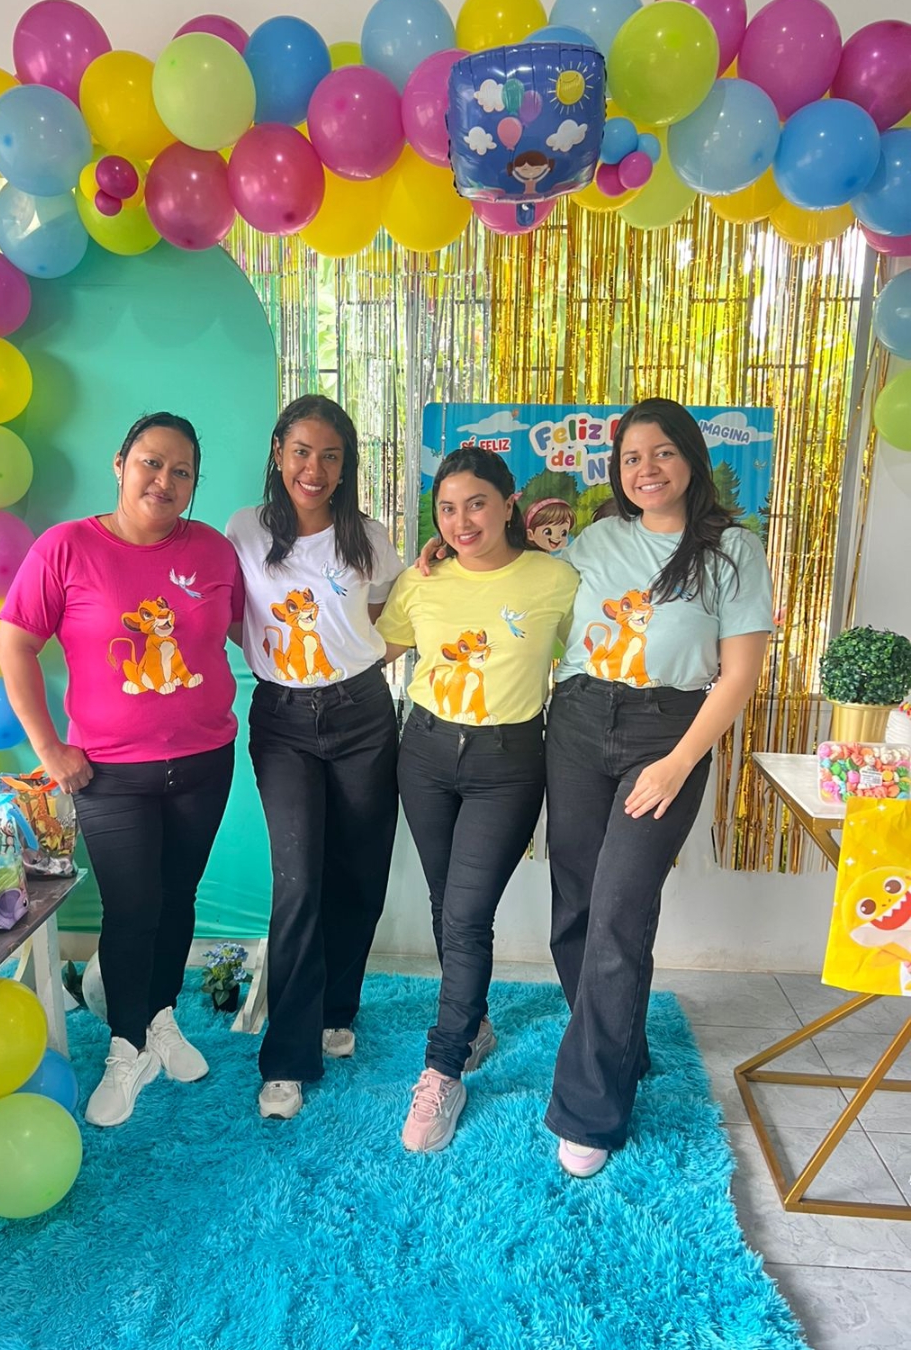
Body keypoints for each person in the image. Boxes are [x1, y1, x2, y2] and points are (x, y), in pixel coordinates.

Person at [544, 397, 772, 1178]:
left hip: (667, 734)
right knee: (575, 907)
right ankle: (620, 1046)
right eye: (632, 457)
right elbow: (520, 592)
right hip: (578, 721)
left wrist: (677, 762)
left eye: (663, 452)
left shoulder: (732, 550)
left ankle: (590, 1111)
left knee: (619, 912)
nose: (647, 469)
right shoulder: (594, 541)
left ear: (691, 460)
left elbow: (738, 675)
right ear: (618, 470)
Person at [0, 412, 244, 1128]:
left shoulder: (213, 551)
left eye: (181, 471)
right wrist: (50, 749)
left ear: (194, 484)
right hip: (109, 774)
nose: (164, 480)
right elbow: (14, 646)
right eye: (150, 463)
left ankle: (162, 1018)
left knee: (178, 898)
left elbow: (255, 629)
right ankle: (125, 1046)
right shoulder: (66, 547)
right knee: (132, 909)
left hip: (204, 761)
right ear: (120, 464)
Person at [377, 446, 578, 1153]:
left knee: (466, 915)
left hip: (509, 762)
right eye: (447, 509)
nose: (462, 521)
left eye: (476, 504)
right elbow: (371, 650)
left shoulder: (556, 579)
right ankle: (475, 1025)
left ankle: (443, 1068)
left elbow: (592, 655)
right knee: (447, 905)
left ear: (509, 503)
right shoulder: (421, 580)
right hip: (424, 752)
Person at [225, 395, 404, 1121]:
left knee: (359, 875)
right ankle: (286, 1059)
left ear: (346, 465)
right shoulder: (245, 530)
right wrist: (281, 665)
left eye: (331, 456)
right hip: (284, 721)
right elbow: (231, 617)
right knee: (299, 884)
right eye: (302, 451)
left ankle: (337, 1011)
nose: (315, 468)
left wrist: (352, 659)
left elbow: (392, 613)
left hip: (364, 713)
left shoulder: (369, 537)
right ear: (278, 452)